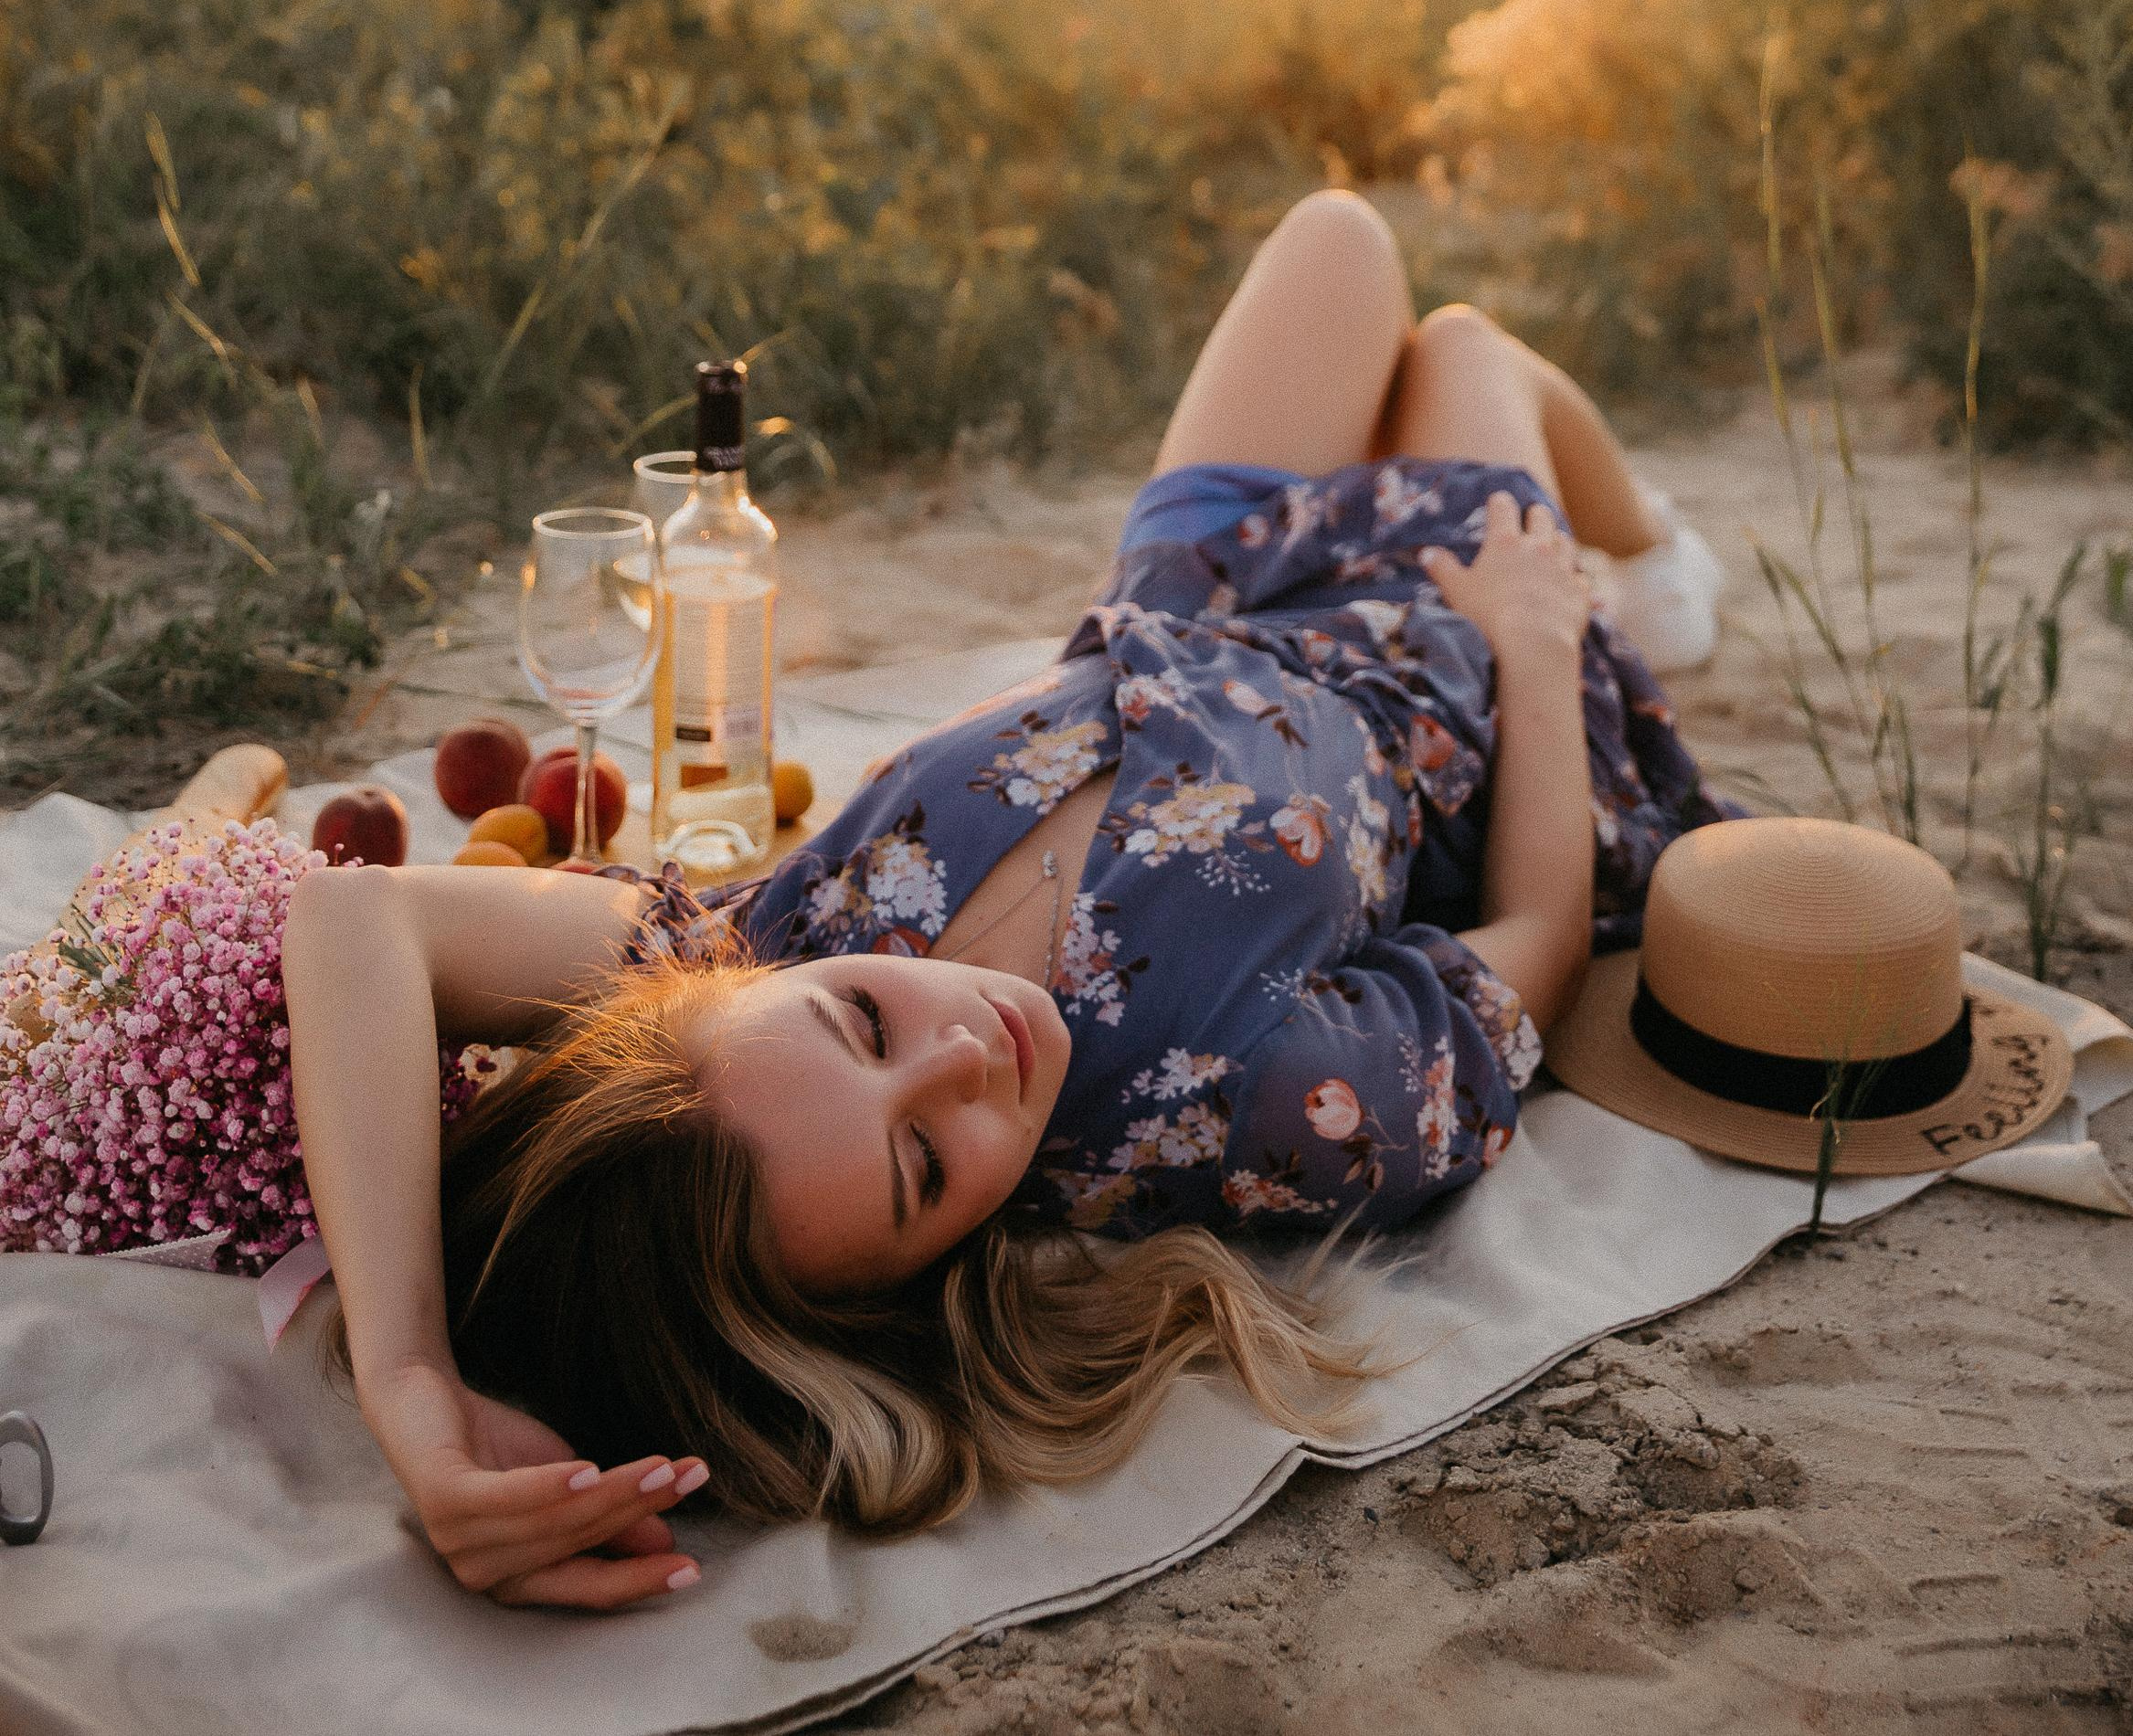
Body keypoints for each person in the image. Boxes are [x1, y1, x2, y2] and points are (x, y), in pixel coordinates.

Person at [278, 189, 1731, 1610]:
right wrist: (1537, 642)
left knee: (1340, 237)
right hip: (1439, 660)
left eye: (862, 1023)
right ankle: (1650, 565)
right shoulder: (1231, 1109)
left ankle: (1623, 539)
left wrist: (411, 1375)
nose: (965, 1055)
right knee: (1463, 349)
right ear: (918, 1279)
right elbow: (1534, 942)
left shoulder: (751, 945)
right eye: (923, 1164)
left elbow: (356, 920)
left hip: (1199, 587)